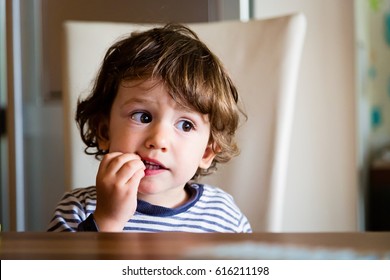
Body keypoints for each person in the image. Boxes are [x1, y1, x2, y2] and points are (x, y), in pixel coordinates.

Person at [48, 23, 251, 233]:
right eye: (143, 117)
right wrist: (108, 220)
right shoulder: (78, 209)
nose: (159, 140)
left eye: (185, 125)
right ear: (104, 131)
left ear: (207, 151)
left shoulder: (224, 215)